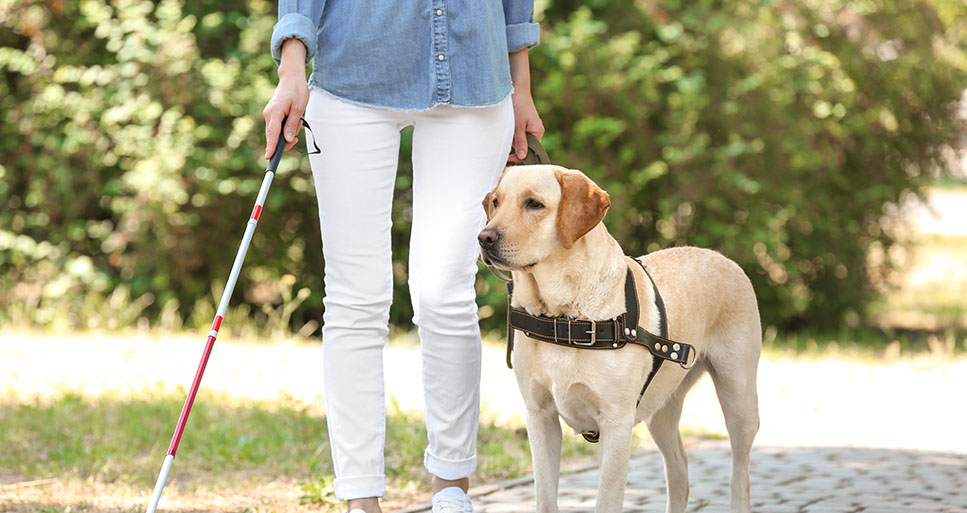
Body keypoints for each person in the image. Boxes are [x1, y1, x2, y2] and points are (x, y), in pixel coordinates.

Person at [262, 2, 544, 512]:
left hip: (475, 78)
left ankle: (451, 488)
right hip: (352, 77)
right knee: (355, 298)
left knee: (443, 292)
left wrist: (521, 86)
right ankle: (360, 496)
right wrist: (291, 67)